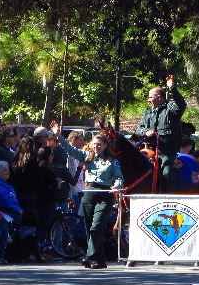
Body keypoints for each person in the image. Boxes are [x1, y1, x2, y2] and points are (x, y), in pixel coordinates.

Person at [52, 123, 123, 269]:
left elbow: (119, 177)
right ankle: (100, 260)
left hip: (105, 194)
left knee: (96, 227)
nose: (96, 147)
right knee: (89, 227)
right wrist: (59, 136)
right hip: (89, 193)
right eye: (94, 144)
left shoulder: (112, 160)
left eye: (99, 144)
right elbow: (70, 150)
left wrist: (116, 186)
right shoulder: (87, 156)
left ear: (105, 145)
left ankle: (89, 256)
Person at [133, 74, 187, 192]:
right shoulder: (148, 113)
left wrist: (172, 89)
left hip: (166, 151)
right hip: (148, 150)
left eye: (150, 97)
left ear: (159, 97)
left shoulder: (171, 109)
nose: (148, 100)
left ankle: (169, 198)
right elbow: (138, 130)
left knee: (166, 173)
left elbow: (181, 105)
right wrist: (146, 132)